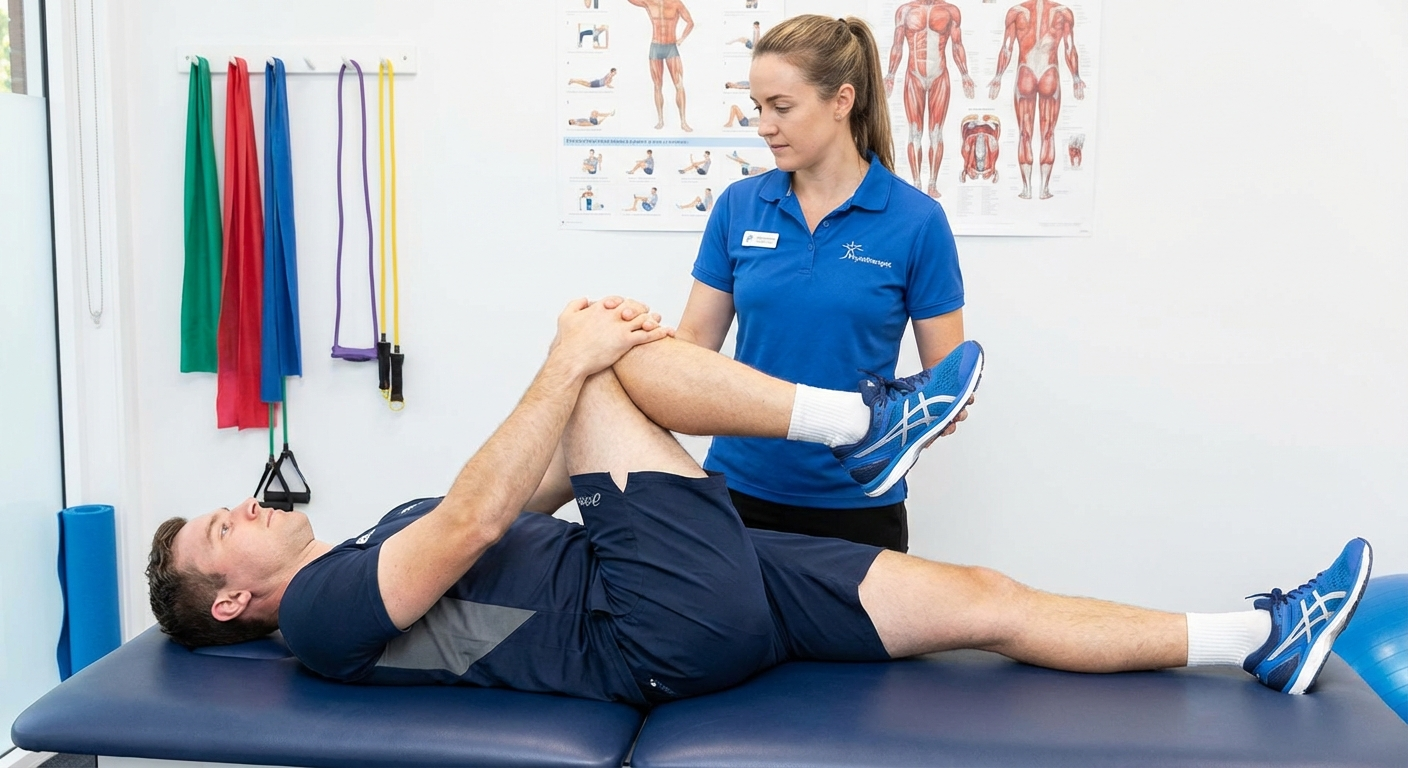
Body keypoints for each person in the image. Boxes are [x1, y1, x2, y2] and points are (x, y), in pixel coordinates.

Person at [147, 298, 1374, 705]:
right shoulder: (316, 620)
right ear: (239, 595)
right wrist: (571, 359)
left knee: (983, 599)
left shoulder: (366, 528)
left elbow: (511, 483)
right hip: (651, 624)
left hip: (685, 577)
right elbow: (473, 522)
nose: (241, 508)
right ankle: (860, 422)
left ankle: (1260, 638)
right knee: (604, 365)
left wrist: (577, 360)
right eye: (221, 527)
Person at [675, 15, 965, 551]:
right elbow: (692, 345)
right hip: (737, 490)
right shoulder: (739, 207)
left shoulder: (916, 221)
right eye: (759, 107)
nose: (764, 125)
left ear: (841, 101)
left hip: (856, 504)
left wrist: (932, 407)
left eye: (781, 107)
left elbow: (944, 379)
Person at [988, 0, 1085, 199]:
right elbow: (1069, 47)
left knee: (1025, 133)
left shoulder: (1016, 11)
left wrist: (998, 76)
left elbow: (1007, 48)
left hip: (1026, 72)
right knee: (1048, 133)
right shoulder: (1063, 12)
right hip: (1050, 72)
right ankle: (1044, 189)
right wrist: (1076, 77)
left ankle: (1026, 190)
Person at [884, 0, 975, 198]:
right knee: (915, 132)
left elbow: (957, 45)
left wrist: (965, 74)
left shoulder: (951, 11)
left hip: (939, 75)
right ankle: (916, 183)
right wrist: (890, 74)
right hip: (914, 75)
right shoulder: (905, 10)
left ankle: (932, 183)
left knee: (936, 132)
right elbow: (897, 45)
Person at [628, 0, 694, 131]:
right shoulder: (648, 2)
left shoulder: (676, 3)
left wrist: (681, 38)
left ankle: (683, 121)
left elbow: (690, 22)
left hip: (671, 47)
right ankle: (660, 120)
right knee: (657, 86)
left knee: (679, 84)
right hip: (655, 47)